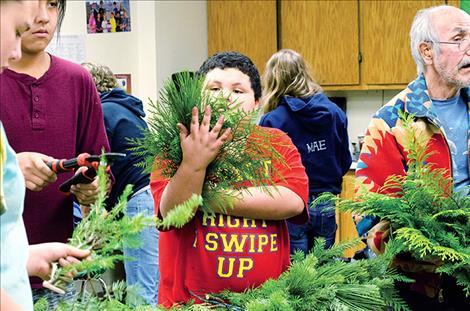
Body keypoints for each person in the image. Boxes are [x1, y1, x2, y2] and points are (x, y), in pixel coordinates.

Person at [150, 51, 309, 308]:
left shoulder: (277, 143)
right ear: (197, 96)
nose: (225, 96)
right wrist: (193, 163)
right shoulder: (175, 145)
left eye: (238, 91)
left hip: (266, 301)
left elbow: (292, 201)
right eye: (214, 88)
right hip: (189, 303)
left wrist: (210, 197)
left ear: (256, 102)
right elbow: (171, 214)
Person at [355, 5, 470, 310]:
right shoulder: (391, 122)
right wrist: (444, 252)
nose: (469, 47)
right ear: (427, 52)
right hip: (422, 292)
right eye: (459, 39)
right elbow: (371, 222)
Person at [0, 0, 110, 304]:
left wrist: (91, 187)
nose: (42, 17)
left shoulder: (78, 81)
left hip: (57, 274)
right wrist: (10, 168)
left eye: (52, 5)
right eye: (33, 3)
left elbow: (101, 166)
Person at [259, 49, 352, 254]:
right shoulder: (335, 113)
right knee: (325, 270)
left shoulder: (272, 121)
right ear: (304, 73)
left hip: (291, 203)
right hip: (326, 201)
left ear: (273, 80)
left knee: (296, 275)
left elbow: (264, 172)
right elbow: (345, 161)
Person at [82, 62, 159, 306]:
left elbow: (96, 167)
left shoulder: (102, 113)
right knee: (149, 282)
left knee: (141, 290)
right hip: (153, 195)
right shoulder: (127, 110)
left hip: (138, 200)